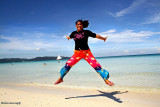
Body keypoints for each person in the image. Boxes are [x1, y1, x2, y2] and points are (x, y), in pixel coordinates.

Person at [54, 19, 114, 86]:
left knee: (96, 66)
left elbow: (96, 35)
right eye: (77, 24)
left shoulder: (86, 32)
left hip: (87, 53)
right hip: (77, 54)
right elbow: (70, 37)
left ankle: (106, 80)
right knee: (68, 65)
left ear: (82, 25)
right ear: (75, 26)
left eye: (80, 24)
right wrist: (68, 38)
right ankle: (61, 78)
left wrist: (103, 38)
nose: (79, 25)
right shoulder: (73, 33)